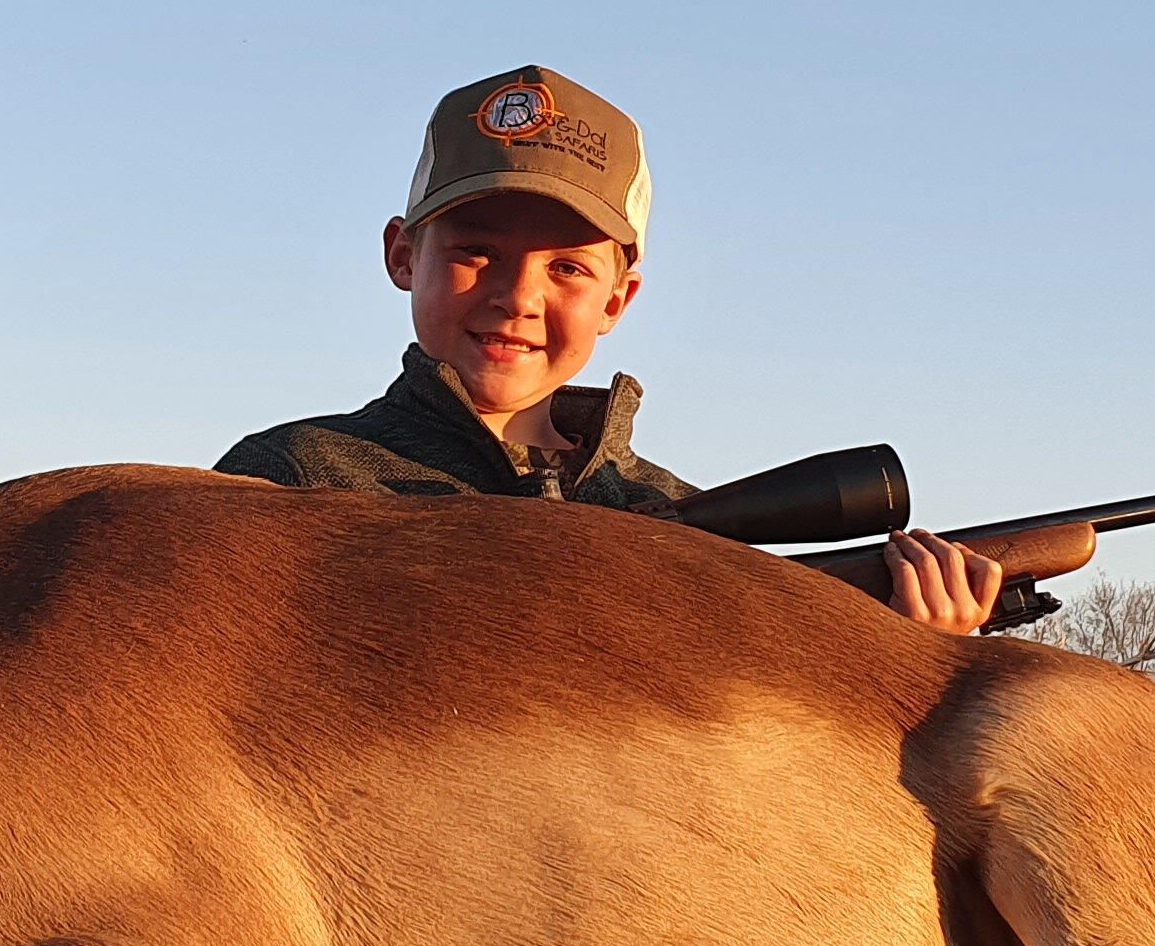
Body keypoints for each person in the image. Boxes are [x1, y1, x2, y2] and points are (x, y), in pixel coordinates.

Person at [217, 65, 1004, 634]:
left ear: (617, 302)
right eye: (476, 252)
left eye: (567, 268)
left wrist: (909, 655)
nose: (519, 297)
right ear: (401, 256)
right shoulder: (293, 480)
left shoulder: (688, 520)